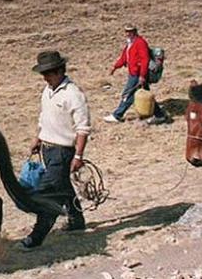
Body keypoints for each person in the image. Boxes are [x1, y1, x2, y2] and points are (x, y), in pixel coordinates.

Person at [21, 50, 90, 249]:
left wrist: (78, 156)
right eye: (43, 73)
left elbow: (83, 128)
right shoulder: (47, 91)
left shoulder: (73, 94)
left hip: (63, 151)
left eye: (48, 73)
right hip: (47, 150)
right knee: (63, 187)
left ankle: (36, 237)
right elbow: (44, 117)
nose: (44, 77)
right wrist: (38, 138)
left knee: (48, 196)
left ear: (60, 71)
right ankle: (77, 222)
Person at [104, 25, 169, 124]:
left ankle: (117, 115)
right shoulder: (130, 43)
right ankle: (160, 115)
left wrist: (142, 76)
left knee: (129, 94)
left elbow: (145, 60)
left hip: (138, 74)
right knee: (144, 92)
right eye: (126, 31)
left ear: (134, 32)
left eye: (130, 31)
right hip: (134, 73)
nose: (127, 34)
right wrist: (115, 67)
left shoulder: (140, 43)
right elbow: (124, 58)